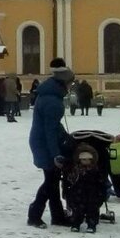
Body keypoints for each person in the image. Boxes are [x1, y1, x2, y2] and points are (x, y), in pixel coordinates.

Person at [27, 58, 75, 228]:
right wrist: (56, 154)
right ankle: (34, 215)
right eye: (70, 84)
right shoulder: (52, 102)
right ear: (64, 83)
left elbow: (53, 126)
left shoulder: (49, 94)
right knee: (50, 181)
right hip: (45, 144)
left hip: (43, 141)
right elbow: (49, 130)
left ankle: (58, 216)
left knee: (53, 180)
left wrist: (63, 134)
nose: (71, 87)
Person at [64, 143, 104, 233]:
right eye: (83, 160)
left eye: (88, 160)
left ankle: (91, 224)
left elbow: (101, 183)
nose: (86, 161)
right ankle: (75, 224)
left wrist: (101, 194)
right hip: (78, 194)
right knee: (77, 211)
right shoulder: (76, 170)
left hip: (92, 194)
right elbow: (70, 181)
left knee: (92, 210)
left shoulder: (96, 170)